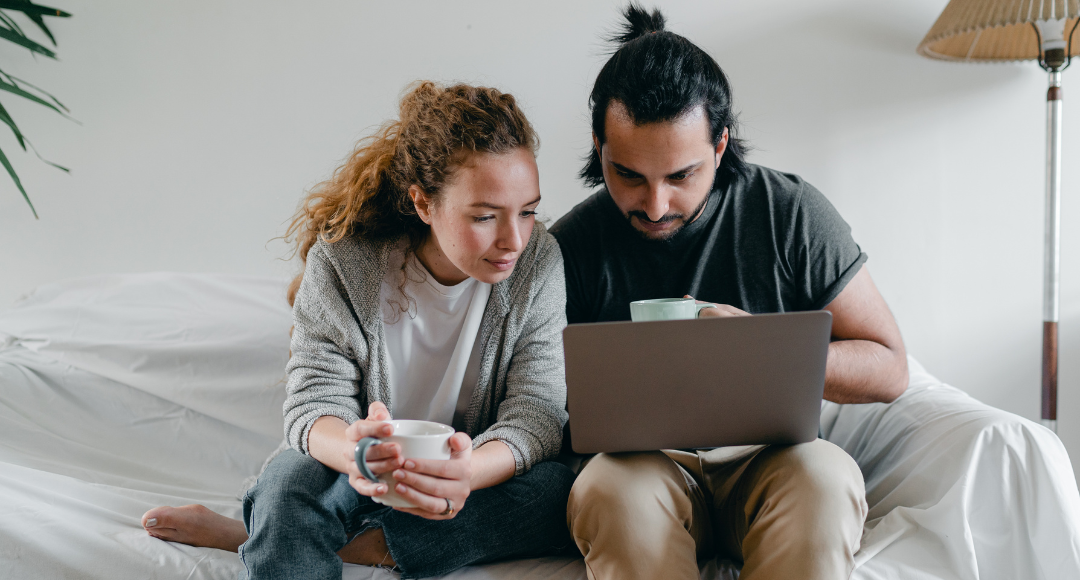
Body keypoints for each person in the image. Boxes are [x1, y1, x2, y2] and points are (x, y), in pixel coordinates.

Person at [141, 81, 575, 579]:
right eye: (484, 216)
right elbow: (311, 406)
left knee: (555, 492)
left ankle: (294, 540)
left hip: (468, 475)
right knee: (288, 485)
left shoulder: (539, 262)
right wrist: (360, 455)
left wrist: (465, 473)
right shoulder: (345, 262)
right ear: (423, 203)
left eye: (528, 211)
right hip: (355, 467)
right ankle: (289, 529)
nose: (514, 239)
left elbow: (537, 411)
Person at [549, 5, 909, 580]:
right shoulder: (569, 245)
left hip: (771, 462)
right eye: (629, 175)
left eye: (680, 175)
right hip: (640, 466)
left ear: (720, 146)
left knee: (827, 477)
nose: (655, 205)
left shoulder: (789, 213)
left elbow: (890, 369)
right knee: (610, 491)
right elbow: (530, 395)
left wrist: (758, 350)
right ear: (600, 148)